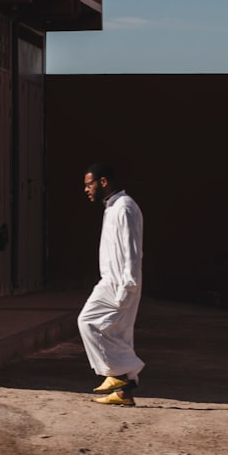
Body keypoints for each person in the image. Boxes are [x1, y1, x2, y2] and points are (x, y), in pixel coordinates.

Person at [77, 162, 145, 406]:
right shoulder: (113, 207)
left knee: (87, 321)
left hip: (120, 282)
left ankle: (119, 374)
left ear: (103, 182)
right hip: (113, 279)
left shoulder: (124, 207)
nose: (86, 189)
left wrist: (129, 284)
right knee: (119, 334)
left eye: (89, 184)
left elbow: (131, 249)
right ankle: (124, 393)